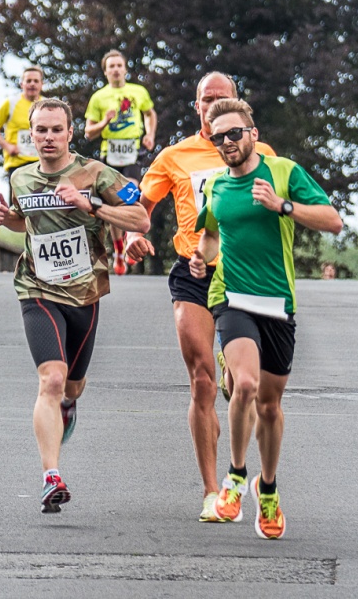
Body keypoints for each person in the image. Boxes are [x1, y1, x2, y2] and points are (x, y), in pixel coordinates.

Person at [124, 72, 275, 522]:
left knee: (240, 387)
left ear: (237, 103)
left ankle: (238, 462)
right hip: (193, 271)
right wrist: (132, 235)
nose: (213, 104)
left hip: (245, 276)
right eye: (205, 99)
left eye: (221, 97)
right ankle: (214, 492)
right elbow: (141, 208)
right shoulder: (174, 156)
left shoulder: (261, 154)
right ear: (196, 109)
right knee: (201, 381)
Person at [189, 97, 342, 539]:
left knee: (271, 407)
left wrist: (283, 206)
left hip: (277, 304)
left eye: (235, 133)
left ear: (253, 134)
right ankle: (236, 478)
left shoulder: (284, 173)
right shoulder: (216, 185)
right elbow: (212, 236)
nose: (227, 143)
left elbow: (333, 222)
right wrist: (202, 261)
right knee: (248, 386)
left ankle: (267, 488)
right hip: (232, 298)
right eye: (218, 138)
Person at [0, 98, 149, 514]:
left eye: (55, 130)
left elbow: (140, 218)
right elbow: (26, 222)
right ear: (31, 133)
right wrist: (7, 218)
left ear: (70, 132)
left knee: (71, 387)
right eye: (40, 130)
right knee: (52, 380)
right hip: (37, 288)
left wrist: (90, 204)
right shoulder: (20, 177)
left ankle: (68, 406)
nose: (47, 137)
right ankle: (51, 476)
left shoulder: (96, 174)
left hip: (85, 292)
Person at [84, 49, 156, 275]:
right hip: (110, 155)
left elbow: (150, 114)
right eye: (111, 66)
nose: (115, 69)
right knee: (115, 203)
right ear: (105, 72)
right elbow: (88, 132)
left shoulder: (138, 91)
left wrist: (150, 134)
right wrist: (104, 121)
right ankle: (117, 249)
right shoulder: (98, 97)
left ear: (125, 69)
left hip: (132, 152)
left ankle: (128, 241)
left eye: (119, 65)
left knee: (131, 193)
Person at [0, 66, 44, 177]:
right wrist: (7, 146)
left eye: (36, 81)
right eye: (28, 81)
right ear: (22, 84)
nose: (32, 84)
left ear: (41, 84)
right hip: (18, 164)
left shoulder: (48, 105)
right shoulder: (11, 103)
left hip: (42, 164)